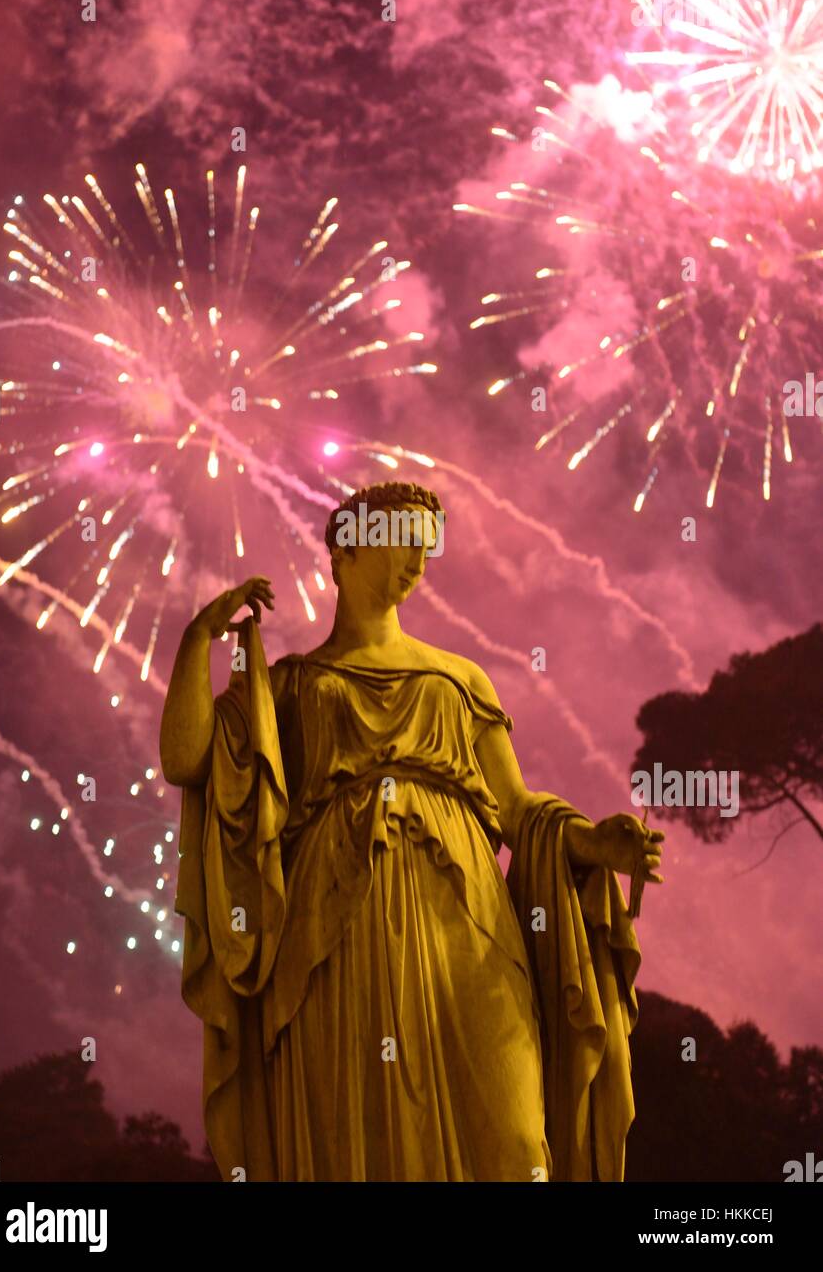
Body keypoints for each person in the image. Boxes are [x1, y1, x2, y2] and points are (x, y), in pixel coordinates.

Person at [161, 481, 664, 1181]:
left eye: (425, 549)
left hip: (466, 918)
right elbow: (185, 759)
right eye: (401, 541)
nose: (416, 562)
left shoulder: (460, 678)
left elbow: (515, 808)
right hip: (332, 930)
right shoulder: (289, 686)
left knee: (517, 1140)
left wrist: (590, 844)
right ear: (344, 551)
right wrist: (196, 640)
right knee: (352, 1144)